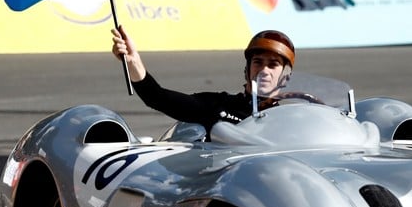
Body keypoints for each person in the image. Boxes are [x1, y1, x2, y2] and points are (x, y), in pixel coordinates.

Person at [111, 27, 296, 136]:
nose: (264, 70)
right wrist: (133, 61)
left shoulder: (293, 119)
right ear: (247, 68)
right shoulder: (218, 106)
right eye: (258, 62)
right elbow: (157, 98)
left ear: (285, 75)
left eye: (273, 65)